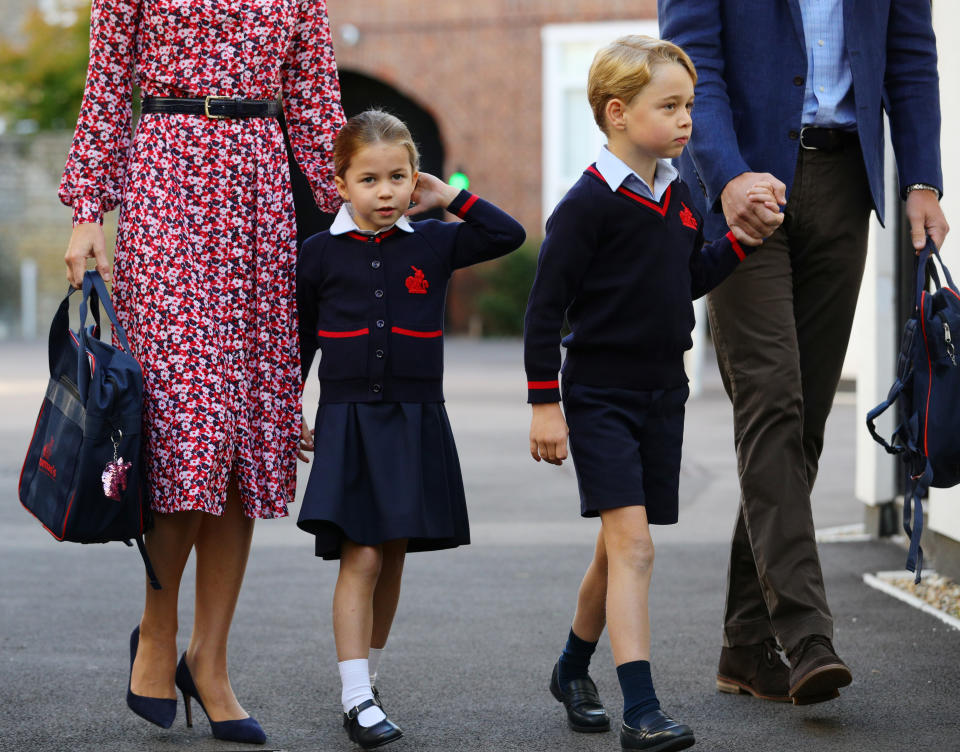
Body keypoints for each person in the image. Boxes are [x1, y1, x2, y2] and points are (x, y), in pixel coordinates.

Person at [58, 0, 345, 744]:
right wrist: (89, 207)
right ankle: (156, 633)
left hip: (259, 185)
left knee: (244, 437)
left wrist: (367, 211)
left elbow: (317, 104)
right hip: (166, 180)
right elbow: (107, 83)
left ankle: (209, 660)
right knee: (188, 425)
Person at [658, 0, 949, 706]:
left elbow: (911, 57)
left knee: (804, 421)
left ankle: (744, 646)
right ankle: (808, 634)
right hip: (742, 188)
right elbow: (696, 66)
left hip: (846, 183)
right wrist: (725, 176)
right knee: (772, 403)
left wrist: (921, 180)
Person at [523, 36, 780, 752]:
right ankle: (642, 708)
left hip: (662, 393)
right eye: (669, 106)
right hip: (599, 394)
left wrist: (740, 241)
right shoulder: (585, 204)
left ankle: (571, 668)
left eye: (689, 105)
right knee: (634, 546)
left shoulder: (682, 194)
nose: (686, 119)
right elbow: (545, 311)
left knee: (618, 548)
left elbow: (685, 278)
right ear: (617, 114)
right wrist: (547, 403)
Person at [296, 109, 526, 750]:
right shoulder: (317, 254)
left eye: (398, 177)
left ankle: (367, 678)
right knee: (361, 553)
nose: (386, 192)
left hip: (416, 416)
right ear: (340, 183)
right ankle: (354, 697)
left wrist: (450, 196)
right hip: (349, 420)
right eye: (369, 180)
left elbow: (507, 233)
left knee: (392, 552)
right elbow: (301, 340)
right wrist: (290, 403)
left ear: (414, 179)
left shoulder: (433, 240)